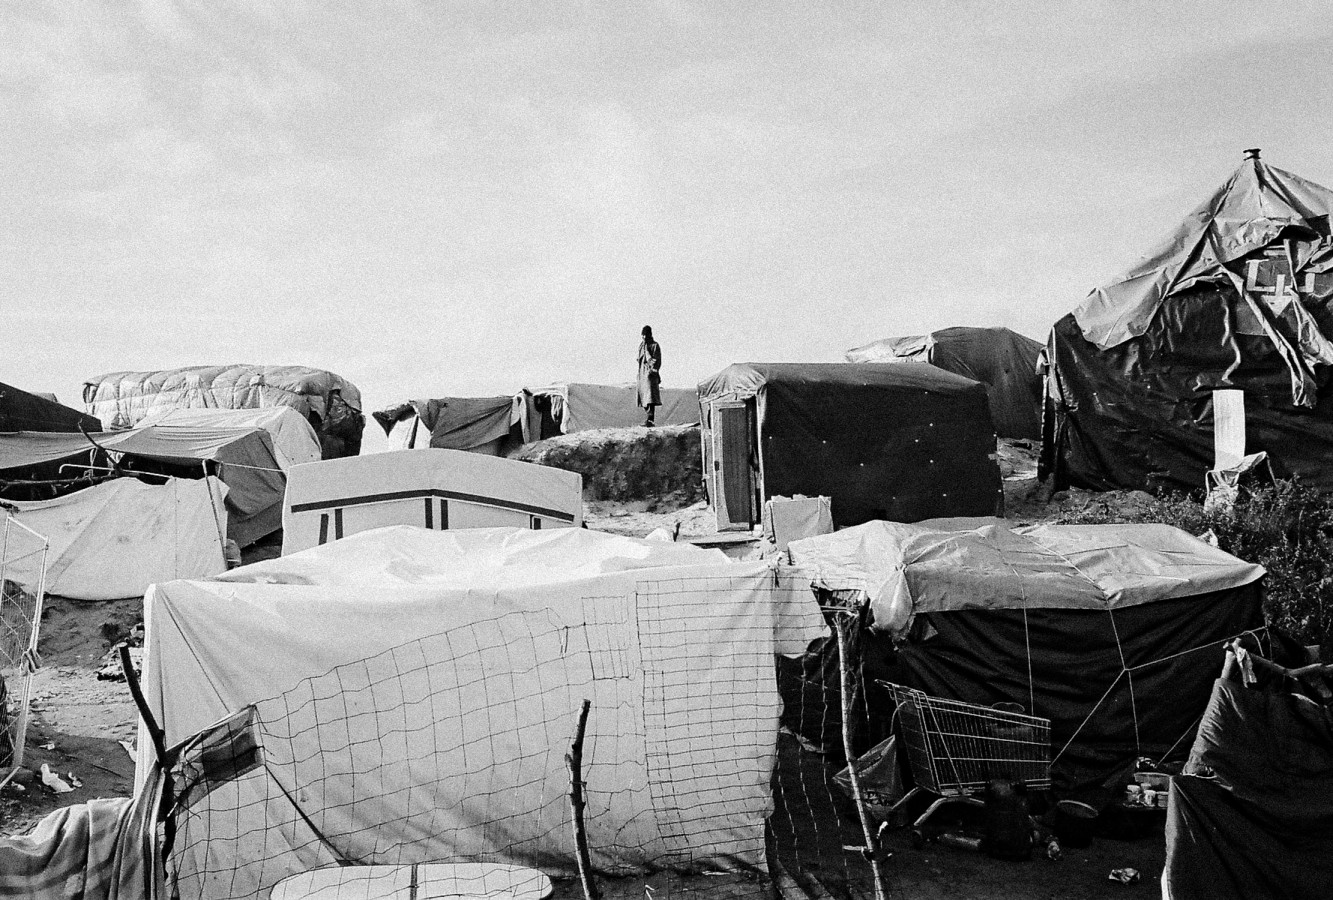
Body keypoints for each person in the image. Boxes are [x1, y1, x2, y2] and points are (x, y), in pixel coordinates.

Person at [637, 326, 662, 426]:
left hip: (650, 374)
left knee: (650, 397)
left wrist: (652, 369)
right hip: (642, 374)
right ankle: (648, 418)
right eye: (642, 335)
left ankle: (650, 419)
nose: (643, 337)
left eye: (645, 335)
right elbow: (638, 359)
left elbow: (656, 360)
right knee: (644, 396)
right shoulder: (641, 346)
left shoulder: (655, 345)